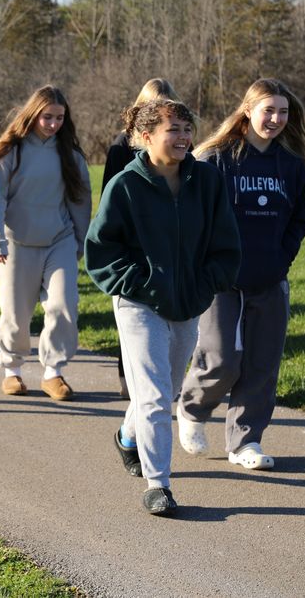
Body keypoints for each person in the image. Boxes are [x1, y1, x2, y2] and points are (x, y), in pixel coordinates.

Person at [85, 99, 240, 515]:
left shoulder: (207, 181)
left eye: (188, 129)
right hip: (138, 303)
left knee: (165, 390)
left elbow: (226, 245)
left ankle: (127, 437)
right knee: (153, 396)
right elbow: (101, 252)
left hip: (188, 302)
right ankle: (159, 485)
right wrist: (139, 284)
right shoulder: (126, 185)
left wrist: (206, 283)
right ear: (146, 135)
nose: (185, 138)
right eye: (174, 130)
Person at [175, 78, 305, 471]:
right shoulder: (217, 159)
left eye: (283, 112)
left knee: (261, 364)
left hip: (270, 279)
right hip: (221, 279)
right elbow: (194, 216)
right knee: (222, 357)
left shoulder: (291, 166)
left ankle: (246, 441)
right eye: (268, 110)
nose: (275, 119)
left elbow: (299, 222)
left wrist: (280, 261)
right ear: (247, 111)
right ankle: (191, 409)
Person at [0, 85, 91, 400]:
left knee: (63, 305)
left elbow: (80, 201)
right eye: (47, 117)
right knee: (16, 313)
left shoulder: (69, 154)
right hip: (15, 243)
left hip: (60, 240)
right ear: (33, 114)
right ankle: (12, 371)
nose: (53, 123)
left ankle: (53, 372)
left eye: (59, 118)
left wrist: (80, 242)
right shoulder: (11, 152)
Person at [100, 78, 181, 398]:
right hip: (133, 246)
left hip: (168, 244)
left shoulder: (178, 143)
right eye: (151, 107)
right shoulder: (121, 147)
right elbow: (110, 195)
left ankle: (162, 380)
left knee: (169, 321)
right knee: (132, 318)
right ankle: (127, 379)